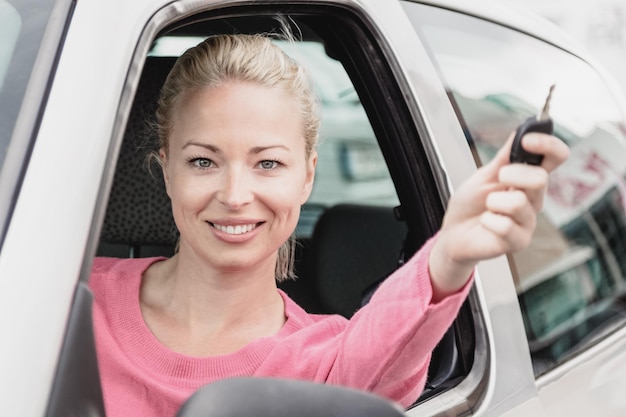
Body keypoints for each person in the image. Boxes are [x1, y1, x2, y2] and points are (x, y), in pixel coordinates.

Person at [89, 33, 569, 417]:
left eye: (269, 164)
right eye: (202, 162)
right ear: (165, 169)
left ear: (308, 177)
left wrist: (450, 254)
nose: (235, 196)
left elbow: (383, 350)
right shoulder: (69, 299)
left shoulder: (325, 362)